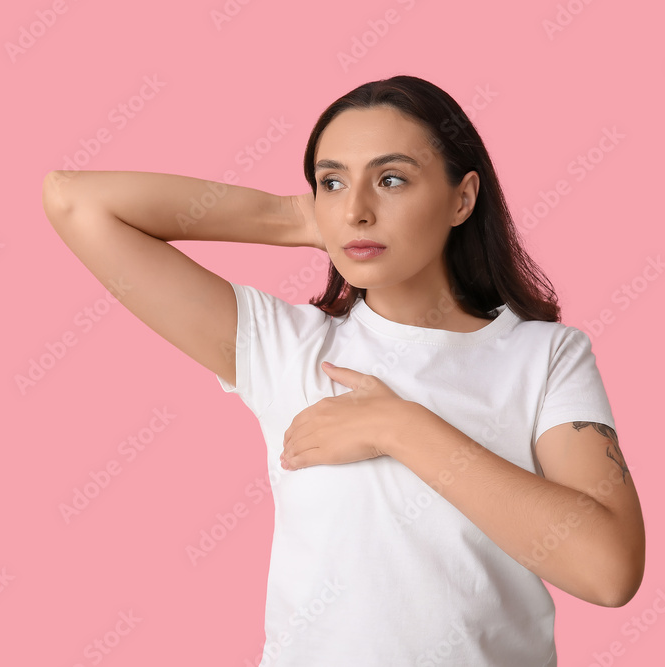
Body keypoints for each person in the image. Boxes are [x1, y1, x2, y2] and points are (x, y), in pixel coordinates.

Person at [40, 74, 645, 666]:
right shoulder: (285, 346)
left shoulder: (546, 355)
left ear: (462, 198)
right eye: (332, 183)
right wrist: (293, 218)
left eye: (390, 180)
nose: (356, 211)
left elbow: (608, 571)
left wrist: (400, 429)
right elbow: (74, 199)